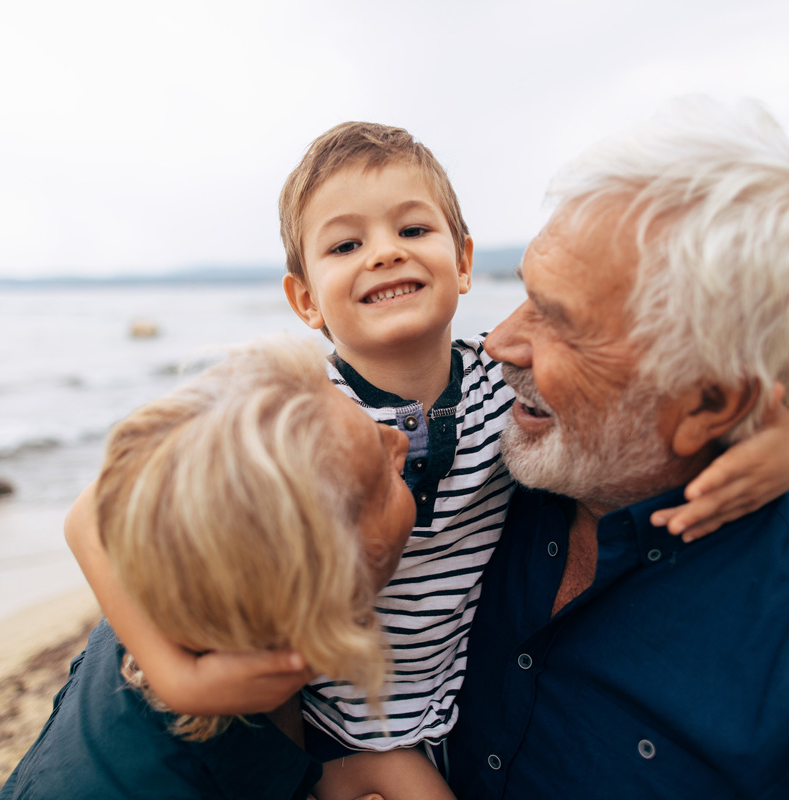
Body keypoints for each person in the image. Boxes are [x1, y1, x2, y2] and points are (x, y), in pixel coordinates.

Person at [67, 120, 789, 798]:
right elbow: (98, 512)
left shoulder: (499, 392)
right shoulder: (292, 404)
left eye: (412, 229)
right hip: (338, 721)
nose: (384, 252)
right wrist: (176, 676)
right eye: (345, 246)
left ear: (465, 259)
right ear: (304, 300)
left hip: (441, 709)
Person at [446, 96, 789, 798]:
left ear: (709, 404)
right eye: (525, 293)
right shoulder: (467, 451)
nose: (497, 344)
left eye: (559, 322)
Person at [0, 336, 441, 799]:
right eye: (385, 480)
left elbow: (90, 510)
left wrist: (176, 679)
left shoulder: (178, 569)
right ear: (316, 606)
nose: (400, 440)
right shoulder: (179, 778)